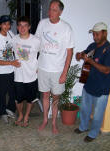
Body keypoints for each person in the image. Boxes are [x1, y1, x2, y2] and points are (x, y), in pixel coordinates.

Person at [35, 0, 75, 134]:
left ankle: (54, 122)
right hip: (43, 68)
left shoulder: (66, 28)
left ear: (60, 12)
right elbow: (36, 44)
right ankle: (45, 119)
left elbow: (70, 52)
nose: (50, 12)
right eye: (50, 9)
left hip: (57, 70)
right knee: (45, 95)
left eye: (54, 10)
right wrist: (35, 64)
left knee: (56, 98)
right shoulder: (42, 23)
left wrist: (65, 73)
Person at [74, 22, 110, 142]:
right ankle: (83, 127)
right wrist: (79, 55)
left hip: (102, 88)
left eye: (97, 34)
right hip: (88, 84)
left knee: (98, 114)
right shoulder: (92, 45)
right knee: (85, 109)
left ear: (105, 33)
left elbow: (107, 70)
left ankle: (93, 134)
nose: (95, 37)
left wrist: (91, 62)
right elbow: (85, 53)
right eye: (93, 34)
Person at [11, 16, 40, 127]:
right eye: (20, 25)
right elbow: (9, 53)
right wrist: (11, 62)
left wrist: (39, 67)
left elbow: (42, 54)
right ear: (17, 27)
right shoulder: (14, 39)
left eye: (25, 25)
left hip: (32, 75)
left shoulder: (36, 40)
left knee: (30, 99)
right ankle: (21, 115)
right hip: (18, 74)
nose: (22, 28)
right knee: (18, 99)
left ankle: (27, 115)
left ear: (29, 27)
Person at [0, 15, 20, 123]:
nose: (7, 26)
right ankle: (3, 113)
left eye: (8, 24)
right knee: (1, 94)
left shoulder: (11, 34)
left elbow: (17, 46)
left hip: (11, 70)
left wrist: (25, 56)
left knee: (14, 92)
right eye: (4, 24)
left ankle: (10, 109)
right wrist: (11, 62)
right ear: (0, 25)